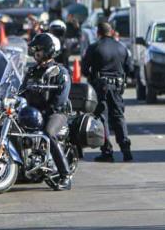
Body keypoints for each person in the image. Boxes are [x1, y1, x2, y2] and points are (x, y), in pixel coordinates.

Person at [23, 33, 73, 190]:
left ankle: (66, 176)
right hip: (35, 111)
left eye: (39, 49)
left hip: (57, 113)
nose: (35, 53)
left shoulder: (60, 72)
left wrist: (47, 111)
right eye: (35, 49)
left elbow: (61, 98)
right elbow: (21, 90)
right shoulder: (32, 71)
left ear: (49, 51)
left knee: (48, 132)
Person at [82, 22, 133, 162]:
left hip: (100, 88)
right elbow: (130, 68)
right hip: (117, 88)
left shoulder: (94, 47)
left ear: (98, 33)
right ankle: (126, 149)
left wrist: (93, 77)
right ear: (111, 31)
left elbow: (84, 70)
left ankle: (107, 151)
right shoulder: (122, 48)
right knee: (118, 117)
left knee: (102, 119)